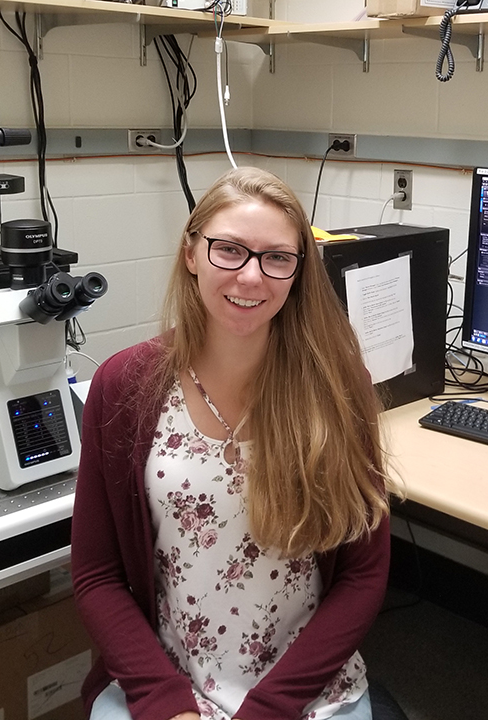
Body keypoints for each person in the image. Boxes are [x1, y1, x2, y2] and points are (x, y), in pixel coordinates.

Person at [71, 167, 392, 720]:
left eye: (276, 258)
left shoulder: (337, 387)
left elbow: (363, 574)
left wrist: (271, 707)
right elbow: (96, 573)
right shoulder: (124, 386)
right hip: (163, 682)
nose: (251, 277)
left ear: (297, 272)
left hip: (306, 690)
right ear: (191, 254)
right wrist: (164, 702)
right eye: (229, 250)